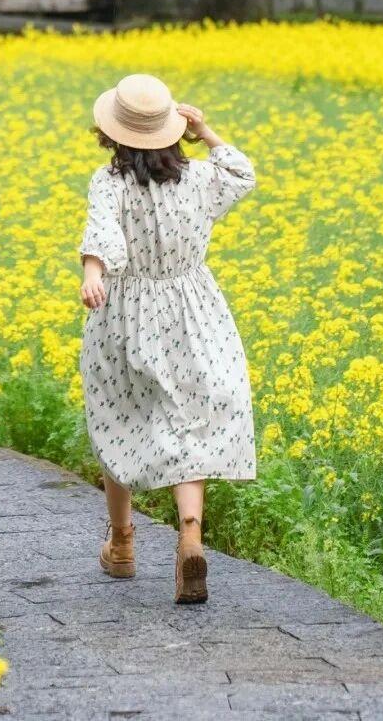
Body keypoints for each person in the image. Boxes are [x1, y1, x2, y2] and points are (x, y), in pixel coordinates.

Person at [78, 72, 257, 604]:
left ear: (111, 134)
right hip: (194, 313)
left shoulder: (109, 182)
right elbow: (242, 173)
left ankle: (123, 544)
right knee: (190, 420)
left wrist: (93, 274)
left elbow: (102, 235)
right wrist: (207, 132)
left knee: (118, 415)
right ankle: (190, 536)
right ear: (172, 129)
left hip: (126, 313)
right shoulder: (199, 178)